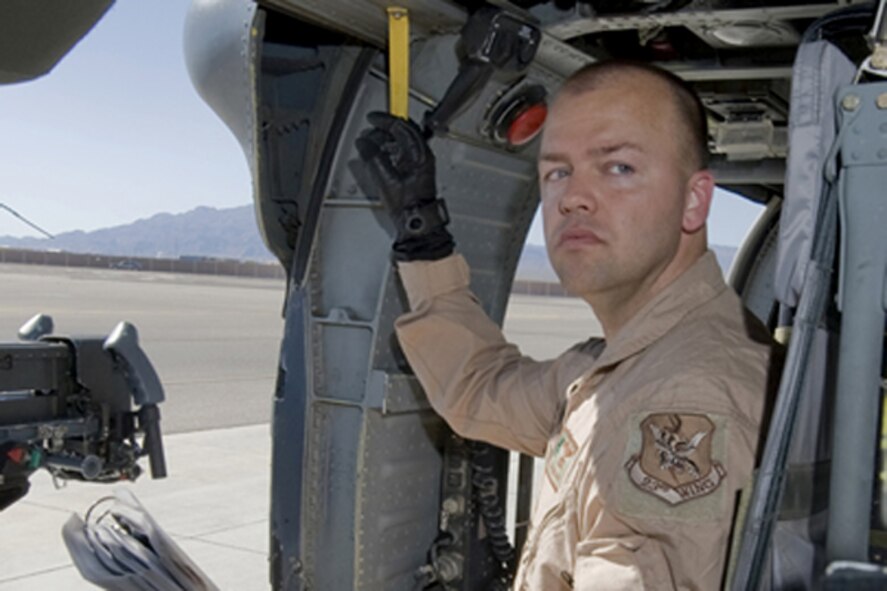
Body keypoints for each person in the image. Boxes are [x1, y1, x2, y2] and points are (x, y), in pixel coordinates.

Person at [357, 60, 776, 590]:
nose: (572, 197)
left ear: (694, 201)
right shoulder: (628, 365)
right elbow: (483, 387)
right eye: (557, 172)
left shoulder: (682, 401)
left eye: (618, 167)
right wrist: (423, 234)